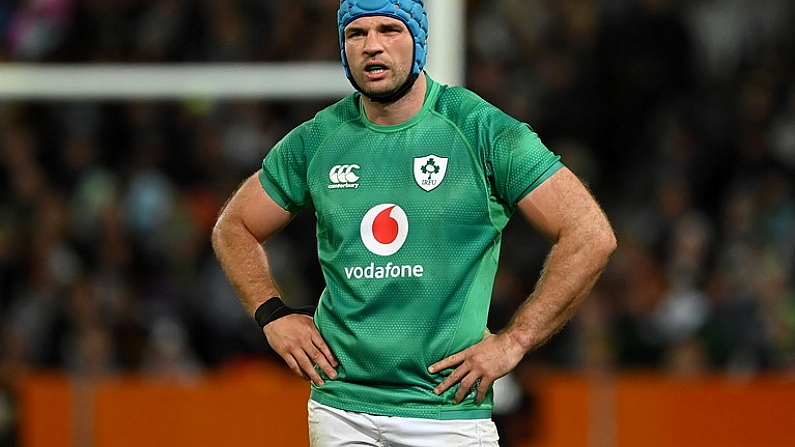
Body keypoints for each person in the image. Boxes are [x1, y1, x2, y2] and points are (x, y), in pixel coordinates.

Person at [211, 0, 616, 445]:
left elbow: (590, 234)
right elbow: (234, 227)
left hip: (446, 413)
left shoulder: (481, 129)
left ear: (420, 40)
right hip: (340, 409)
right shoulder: (318, 138)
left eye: (389, 30)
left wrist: (514, 342)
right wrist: (273, 316)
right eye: (356, 34)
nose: (372, 46)